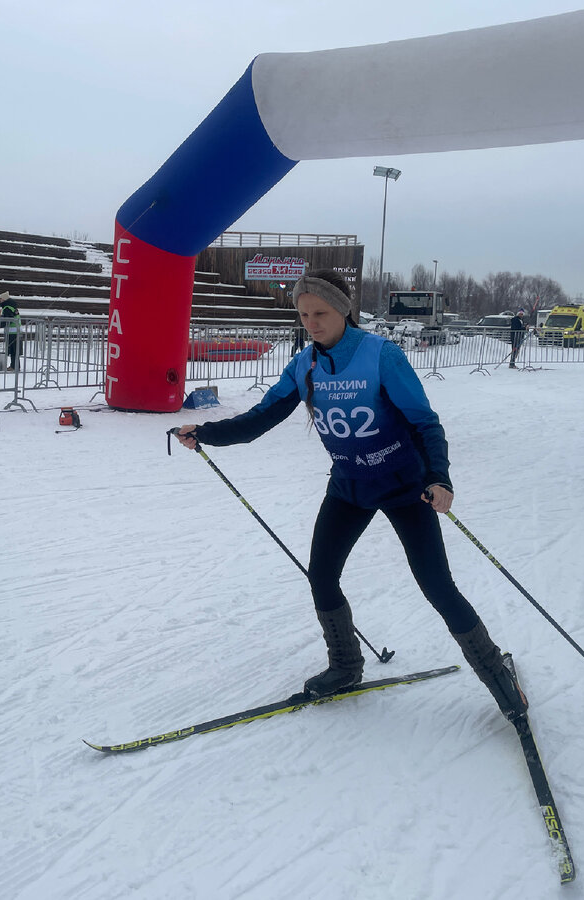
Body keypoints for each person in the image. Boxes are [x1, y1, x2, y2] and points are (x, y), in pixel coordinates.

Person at [174, 269, 528, 729]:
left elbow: (425, 422)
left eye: (320, 313)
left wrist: (439, 478)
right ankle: (345, 666)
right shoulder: (305, 365)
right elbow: (262, 417)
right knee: (321, 575)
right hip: (349, 486)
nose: (312, 323)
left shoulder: (380, 355)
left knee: (436, 586)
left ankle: (497, 675)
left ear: (343, 310)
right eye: (304, 315)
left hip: (405, 487)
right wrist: (206, 433)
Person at [0, 292, 21, 370]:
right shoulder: (13, 307)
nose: (0, 300)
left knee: (13, 350)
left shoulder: (7, 308)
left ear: (4, 299)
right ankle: (15, 366)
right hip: (16, 331)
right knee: (15, 350)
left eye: (1, 299)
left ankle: (14, 366)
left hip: (12, 331)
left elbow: (8, 320)